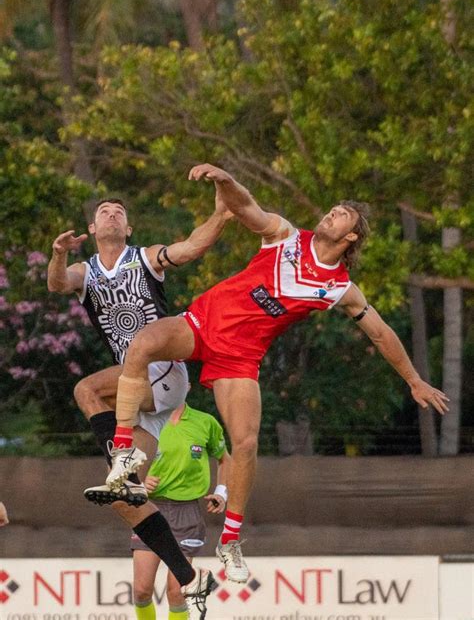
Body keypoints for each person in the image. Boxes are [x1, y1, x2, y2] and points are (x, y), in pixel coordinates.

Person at [93, 163, 449, 583]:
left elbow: (381, 333)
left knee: (244, 443)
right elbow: (248, 208)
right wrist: (225, 180)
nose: (330, 214)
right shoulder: (285, 236)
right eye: (332, 210)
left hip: (241, 357)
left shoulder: (340, 288)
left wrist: (413, 379)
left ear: (350, 237)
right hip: (202, 323)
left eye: (340, 216)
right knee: (142, 344)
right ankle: (123, 451)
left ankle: (229, 540)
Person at [47, 193, 232, 606]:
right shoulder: (86, 271)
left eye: (120, 212)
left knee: (86, 389)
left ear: (128, 229)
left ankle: (120, 461)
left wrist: (220, 213)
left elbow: (191, 246)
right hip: (138, 397)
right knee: (126, 501)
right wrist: (58, 254)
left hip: (163, 372)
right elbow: (57, 283)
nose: (111, 214)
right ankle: (190, 577)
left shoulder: (144, 258)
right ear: (93, 229)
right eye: (103, 212)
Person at [132, 400, 230, 620]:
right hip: (149, 509)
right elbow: (123, 462)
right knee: (141, 590)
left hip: (187, 512)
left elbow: (225, 459)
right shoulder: (142, 420)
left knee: (176, 592)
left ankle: (195, 587)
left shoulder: (205, 422)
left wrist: (221, 492)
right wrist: (140, 481)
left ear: (185, 385)